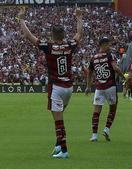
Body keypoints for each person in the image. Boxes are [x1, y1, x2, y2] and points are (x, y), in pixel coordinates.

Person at [18, 7, 83, 158]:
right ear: (64, 35)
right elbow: (79, 34)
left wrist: (21, 19)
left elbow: (29, 36)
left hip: (56, 87)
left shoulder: (49, 46)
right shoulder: (69, 45)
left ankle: (64, 151)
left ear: (52, 35)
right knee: (58, 117)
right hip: (69, 88)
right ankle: (58, 145)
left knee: (58, 121)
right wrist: (79, 18)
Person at [85, 37, 125, 142]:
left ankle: (94, 135)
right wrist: (124, 77)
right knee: (113, 108)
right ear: (103, 44)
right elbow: (115, 68)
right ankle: (106, 129)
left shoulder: (94, 58)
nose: (109, 46)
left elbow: (89, 72)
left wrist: (88, 86)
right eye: (107, 44)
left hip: (99, 87)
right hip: (110, 86)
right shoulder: (109, 55)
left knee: (96, 111)